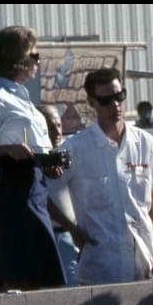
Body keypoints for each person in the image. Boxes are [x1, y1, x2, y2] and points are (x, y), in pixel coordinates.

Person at [0, 26, 67, 292]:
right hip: (14, 196)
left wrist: (50, 164)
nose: (38, 61)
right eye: (34, 55)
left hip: (36, 192)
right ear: (18, 61)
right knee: (15, 283)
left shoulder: (25, 101)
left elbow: (39, 148)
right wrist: (7, 149)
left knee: (37, 283)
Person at [64, 67, 153, 285]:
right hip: (100, 266)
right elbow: (41, 191)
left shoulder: (144, 142)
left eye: (119, 96)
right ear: (92, 103)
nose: (115, 105)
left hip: (144, 262)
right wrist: (72, 229)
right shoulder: (75, 148)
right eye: (106, 100)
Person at [36, 103, 96, 285]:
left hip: (75, 235)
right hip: (53, 235)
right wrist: (71, 227)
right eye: (50, 127)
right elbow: (42, 198)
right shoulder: (36, 159)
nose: (56, 132)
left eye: (58, 125)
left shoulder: (69, 153)